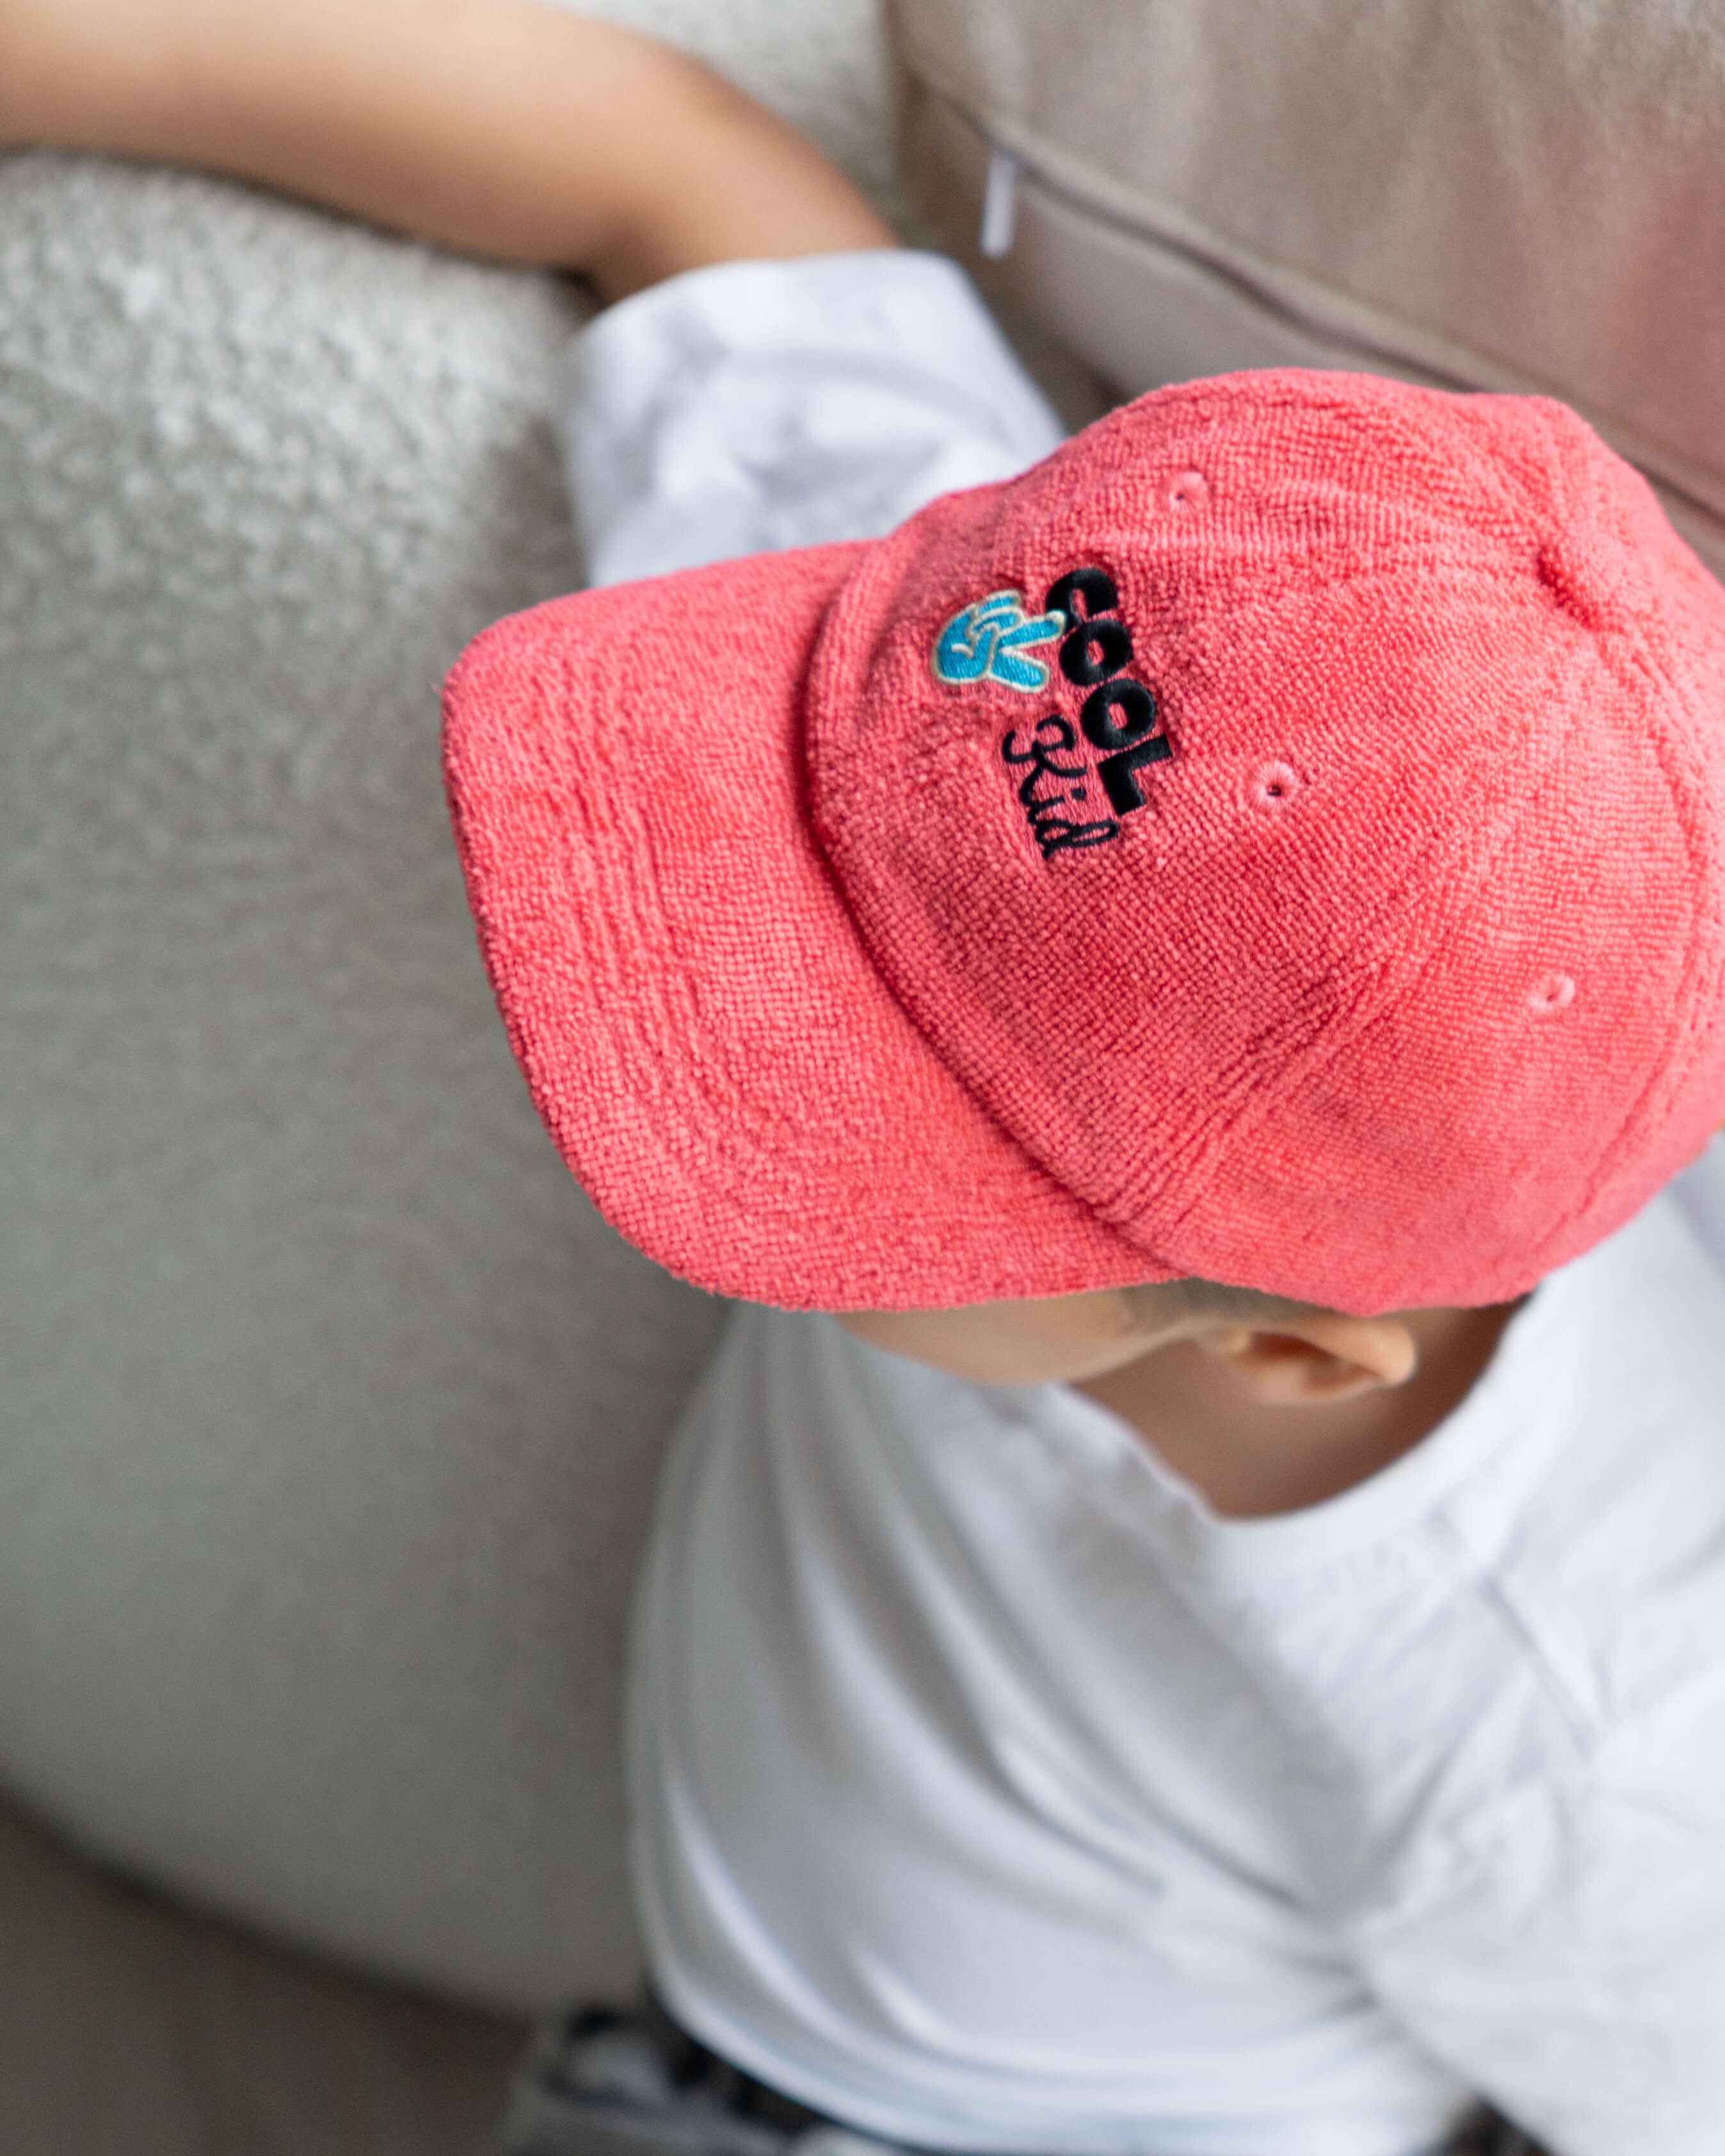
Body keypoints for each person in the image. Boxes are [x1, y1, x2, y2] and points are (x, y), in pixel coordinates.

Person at [5, 6, 1724, 2153]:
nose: (684, 990)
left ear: (1290, 1351)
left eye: (853, 1094)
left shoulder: (1591, 1723)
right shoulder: (1005, 710)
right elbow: (665, 157)